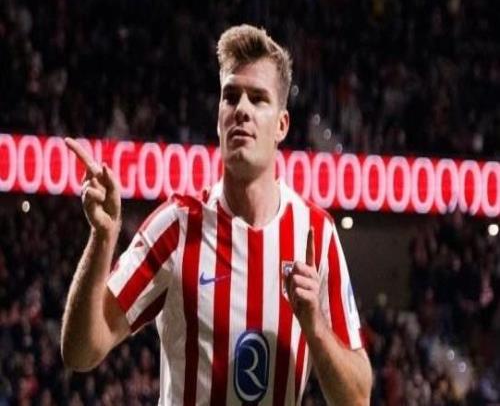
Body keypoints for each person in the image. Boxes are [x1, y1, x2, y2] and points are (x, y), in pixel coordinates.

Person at [61, 24, 372, 405]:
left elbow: (358, 398)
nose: (241, 109)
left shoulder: (316, 234)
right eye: (231, 96)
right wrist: (102, 238)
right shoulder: (176, 226)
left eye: (258, 99)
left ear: (282, 125)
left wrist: (316, 327)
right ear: (219, 117)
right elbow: (80, 352)